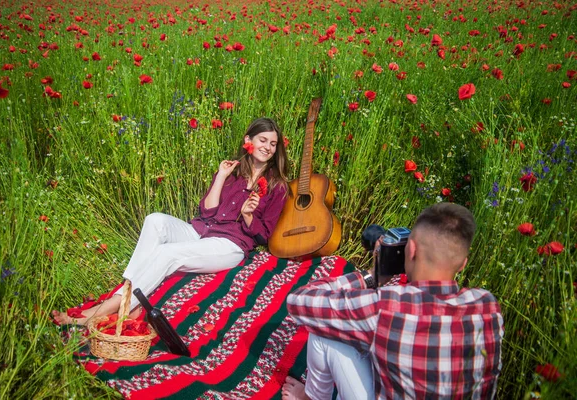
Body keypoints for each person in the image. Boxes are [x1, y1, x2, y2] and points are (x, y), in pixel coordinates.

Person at [53, 117, 289, 325]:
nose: (267, 147)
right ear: (248, 140)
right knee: (155, 220)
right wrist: (220, 177)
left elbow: (264, 236)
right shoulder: (232, 171)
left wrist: (248, 216)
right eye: (262, 140)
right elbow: (207, 213)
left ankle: (107, 308)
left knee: (167, 253)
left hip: (229, 245)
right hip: (201, 231)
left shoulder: (277, 186)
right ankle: (130, 296)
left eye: (272, 143)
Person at [282, 203, 504, 400]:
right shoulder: (488, 307)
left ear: (412, 249)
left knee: (324, 333)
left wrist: (372, 274)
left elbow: (298, 301)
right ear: (463, 264)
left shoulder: (388, 306)